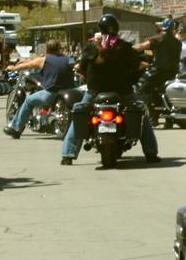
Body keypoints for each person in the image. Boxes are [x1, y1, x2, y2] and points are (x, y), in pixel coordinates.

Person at [60, 14, 159, 165]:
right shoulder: (125, 46)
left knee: (80, 114)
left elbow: (81, 67)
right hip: (123, 91)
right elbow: (136, 66)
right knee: (141, 115)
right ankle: (151, 153)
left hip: (94, 92)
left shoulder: (90, 47)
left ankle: (68, 155)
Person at [2, 40, 75, 139]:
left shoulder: (45, 60)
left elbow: (27, 65)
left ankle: (16, 128)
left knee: (28, 100)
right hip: (69, 92)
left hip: (51, 93)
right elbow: (75, 66)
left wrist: (13, 68)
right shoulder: (67, 59)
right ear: (59, 48)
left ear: (47, 48)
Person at [134, 18, 182, 106]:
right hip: (172, 73)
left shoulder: (158, 38)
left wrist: (126, 49)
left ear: (163, 27)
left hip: (158, 72)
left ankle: (147, 110)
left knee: (140, 86)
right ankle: (156, 103)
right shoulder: (178, 42)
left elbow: (141, 46)